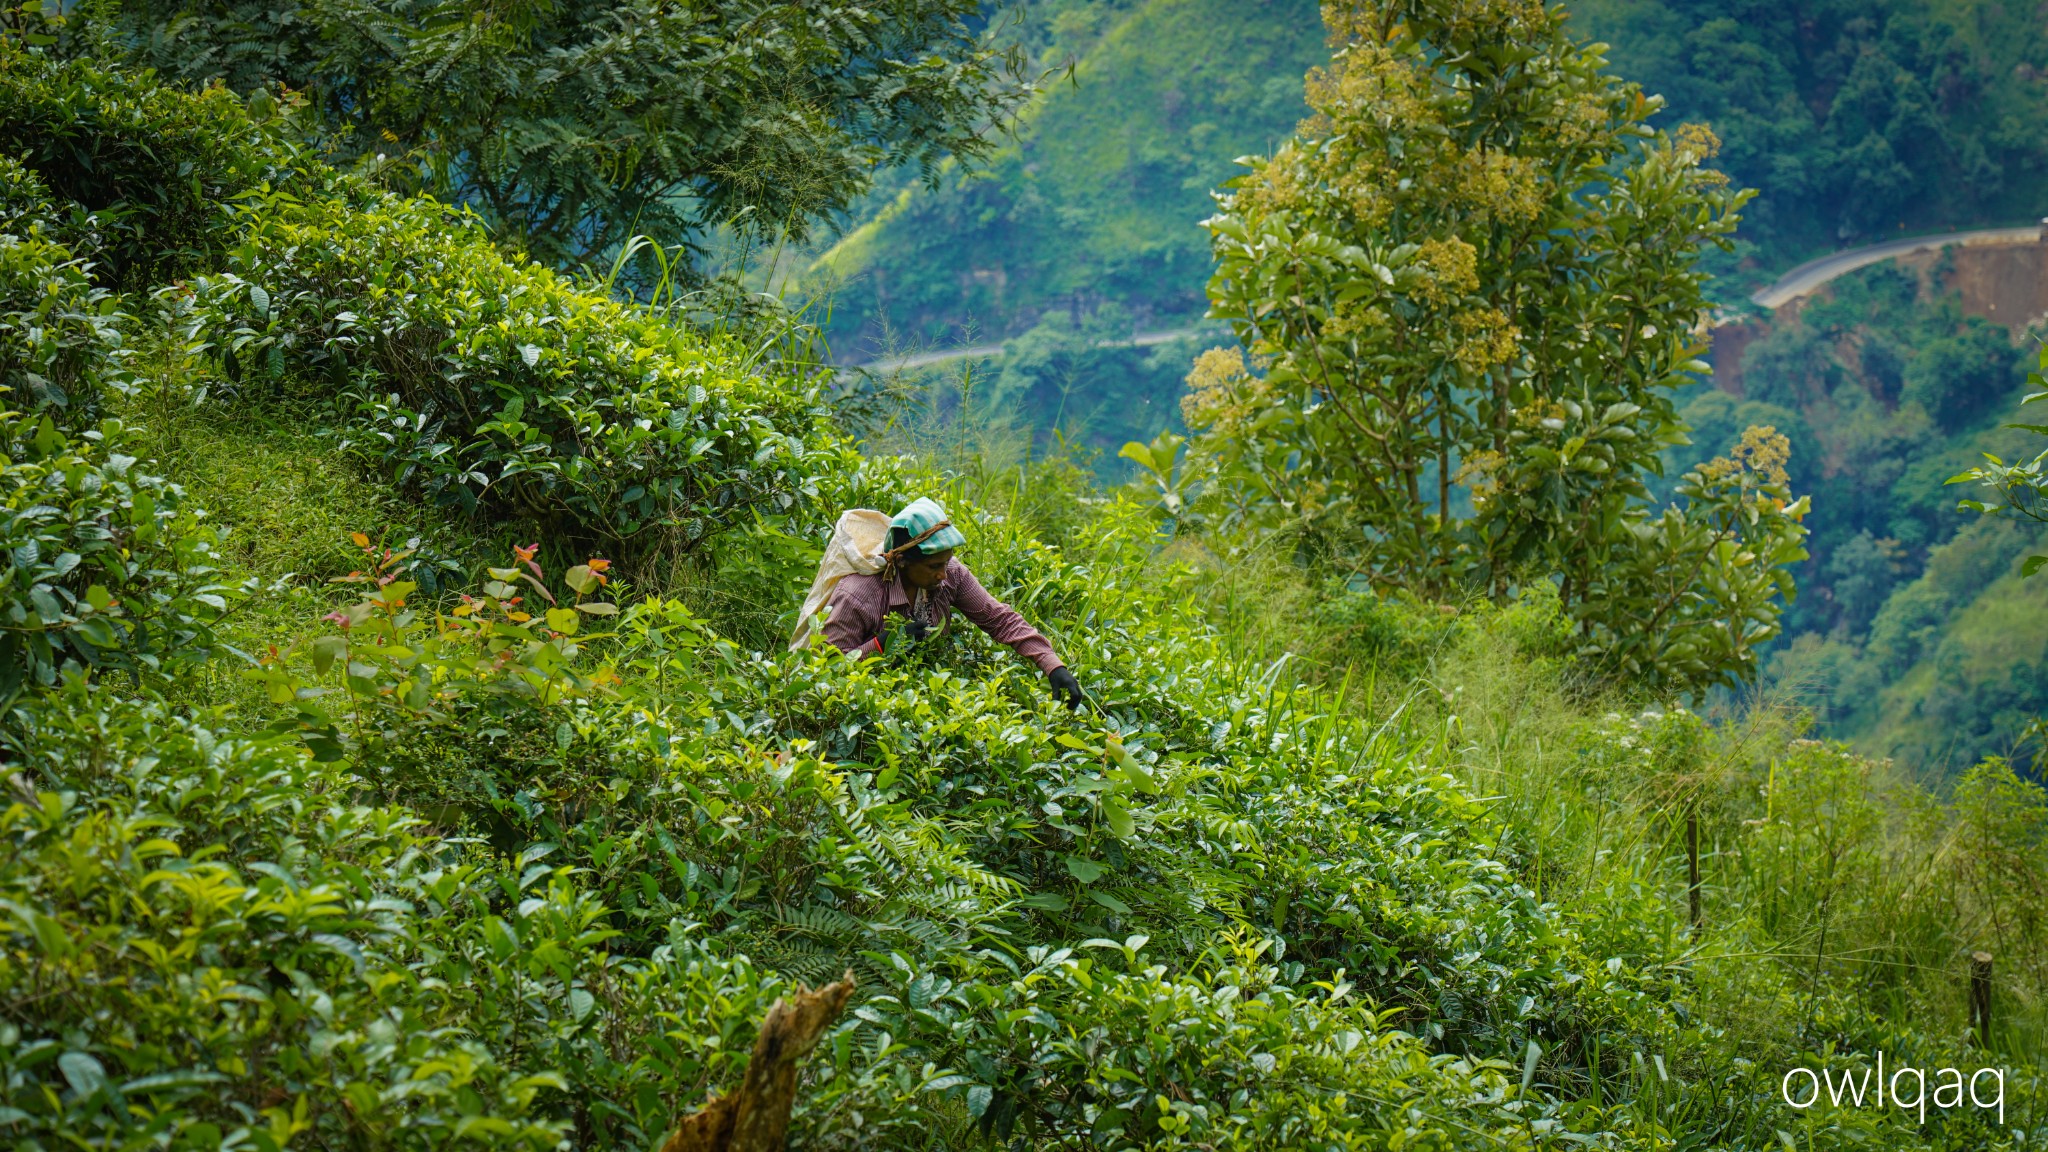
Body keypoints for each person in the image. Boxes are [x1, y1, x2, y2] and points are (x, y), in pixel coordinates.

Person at [821, 497, 1086, 709]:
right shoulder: (857, 595)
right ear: (901, 561)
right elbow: (829, 671)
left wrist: (1053, 666)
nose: (943, 575)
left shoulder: (951, 574)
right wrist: (883, 644)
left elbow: (999, 619)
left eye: (946, 562)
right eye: (934, 566)